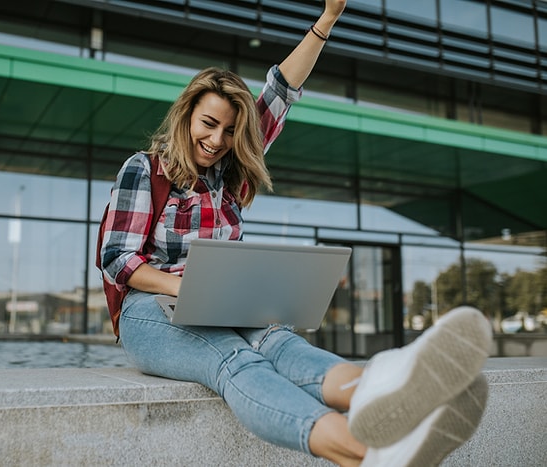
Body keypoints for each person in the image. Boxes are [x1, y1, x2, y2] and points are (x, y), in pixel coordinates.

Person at [99, 1, 492, 465]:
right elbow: (118, 259)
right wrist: (179, 286)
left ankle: (379, 390)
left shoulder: (230, 171)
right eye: (209, 124)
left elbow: (281, 89)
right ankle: (363, 453)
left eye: (229, 130)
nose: (217, 139)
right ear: (186, 115)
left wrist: (327, 19)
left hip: (220, 299)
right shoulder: (145, 169)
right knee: (234, 359)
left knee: (278, 341)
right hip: (149, 311)